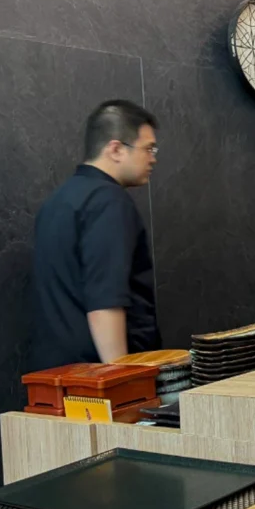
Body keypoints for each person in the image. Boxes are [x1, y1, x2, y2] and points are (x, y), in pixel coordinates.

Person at [29, 100, 162, 371]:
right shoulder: (108, 201)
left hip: (60, 376)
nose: (153, 158)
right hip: (101, 384)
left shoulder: (58, 202)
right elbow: (106, 299)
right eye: (148, 148)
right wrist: (121, 380)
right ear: (115, 149)